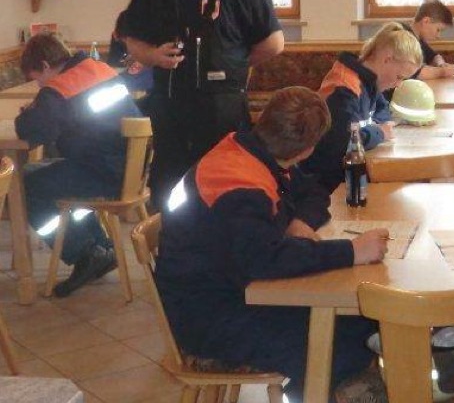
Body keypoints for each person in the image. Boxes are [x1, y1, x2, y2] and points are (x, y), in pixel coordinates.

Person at [156, 86, 389, 401]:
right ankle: (314, 393)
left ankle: (313, 390)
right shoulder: (238, 185)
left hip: (233, 292)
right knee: (341, 341)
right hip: (210, 318)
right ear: (308, 150)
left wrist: (300, 221)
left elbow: (313, 192)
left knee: (363, 320)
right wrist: (351, 251)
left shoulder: (253, 151)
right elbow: (264, 260)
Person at [121, 0, 284, 208]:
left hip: (225, 116)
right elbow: (131, 39)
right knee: (169, 200)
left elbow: (274, 42)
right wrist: (153, 56)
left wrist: (235, 63)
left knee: (228, 197)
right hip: (171, 117)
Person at [15, 33, 142, 297]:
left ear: (46, 66)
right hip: (129, 169)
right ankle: (100, 248)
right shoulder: (98, 68)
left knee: (24, 186)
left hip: (103, 172)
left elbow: (33, 130)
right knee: (35, 173)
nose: (39, 85)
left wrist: (29, 111)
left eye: (37, 78)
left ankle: (83, 252)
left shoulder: (61, 87)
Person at [301, 22, 422, 192]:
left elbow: (383, 109)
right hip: (325, 185)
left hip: (350, 175)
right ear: (387, 59)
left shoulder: (370, 81)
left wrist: (377, 126)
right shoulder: (345, 87)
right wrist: (379, 132)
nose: (398, 84)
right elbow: (346, 141)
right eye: (399, 76)